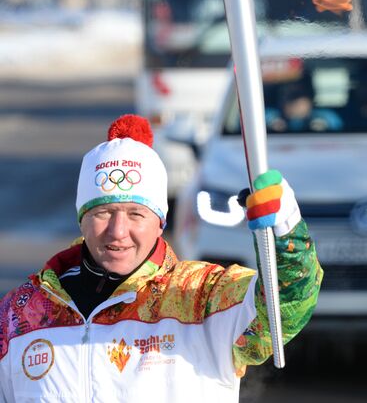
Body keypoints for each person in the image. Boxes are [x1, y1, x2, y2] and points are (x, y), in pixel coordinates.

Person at [0, 114, 322, 403]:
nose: (118, 230)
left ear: (160, 222)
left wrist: (285, 233)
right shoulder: (20, 316)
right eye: (103, 212)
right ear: (81, 219)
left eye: (136, 213)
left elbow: (285, 306)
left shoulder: (202, 299)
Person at [266, 81, 343, 132]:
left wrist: (324, 126)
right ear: (280, 102)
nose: (295, 104)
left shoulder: (326, 116)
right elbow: (260, 121)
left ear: (310, 101)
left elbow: (339, 130)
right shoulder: (269, 115)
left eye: (297, 97)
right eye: (289, 98)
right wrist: (271, 123)